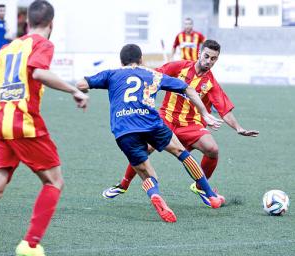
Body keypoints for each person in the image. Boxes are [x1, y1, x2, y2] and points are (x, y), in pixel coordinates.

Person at [0, 1, 88, 256]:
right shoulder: (43, 44)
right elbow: (38, 73)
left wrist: (4, 92)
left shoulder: (8, 47)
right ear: (51, 24)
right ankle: (30, 244)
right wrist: (74, 90)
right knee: (54, 181)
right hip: (23, 123)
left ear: (27, 23)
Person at [76, 43, 225, 223]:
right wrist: (205, 113)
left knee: (148, 174)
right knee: (182, 153)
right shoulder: (152, 75)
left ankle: (155, 194)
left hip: (124, 131)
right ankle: (211, 195)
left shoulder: (111, 74)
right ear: (141, 60)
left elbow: (82, 84)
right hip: (151, 124)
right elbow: (187, 88)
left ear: (121, 61)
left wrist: (82, 93)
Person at [102, 40, 259, 207]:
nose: (209, 61)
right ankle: (123, 185)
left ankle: (200, 187)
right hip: (166, 119)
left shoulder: (211, 83)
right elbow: (153, 75)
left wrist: (238, 128)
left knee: (212, 149)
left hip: (191, 124)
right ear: (199, 53)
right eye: (206, 56)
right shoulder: (179, 67)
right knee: (144, 149)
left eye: (213, 59)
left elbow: (224, 109)